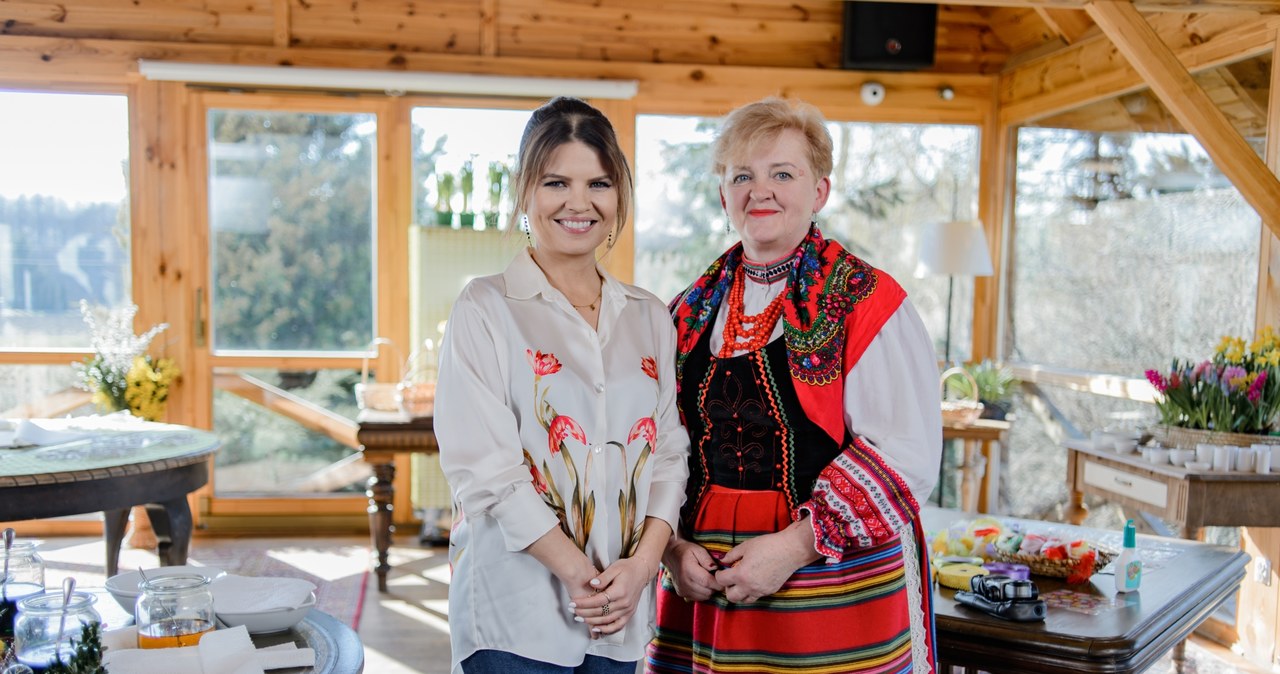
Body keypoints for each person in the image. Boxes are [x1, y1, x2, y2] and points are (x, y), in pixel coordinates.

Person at [647, 97, 943, 673]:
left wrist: (791, 548)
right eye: (743, 176)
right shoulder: (684, 311)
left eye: (783, 173)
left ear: (820, 192)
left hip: (825, 586)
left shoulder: (865, 300)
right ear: (723, 196)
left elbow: (906, 455)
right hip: (702, 590)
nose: (762, 191)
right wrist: (673, 551)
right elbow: (660, 449)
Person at [435, 96, 690, 674]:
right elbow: (486, 472)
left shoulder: (649, 315)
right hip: (513, 620)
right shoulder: (485, 307)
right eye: (556, 182)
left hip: (621, 620)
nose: (579, 203)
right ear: (525, 191)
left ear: (618, 195)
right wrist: (584, 577)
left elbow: (670, 452)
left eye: (598, 184)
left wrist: (644, 565)